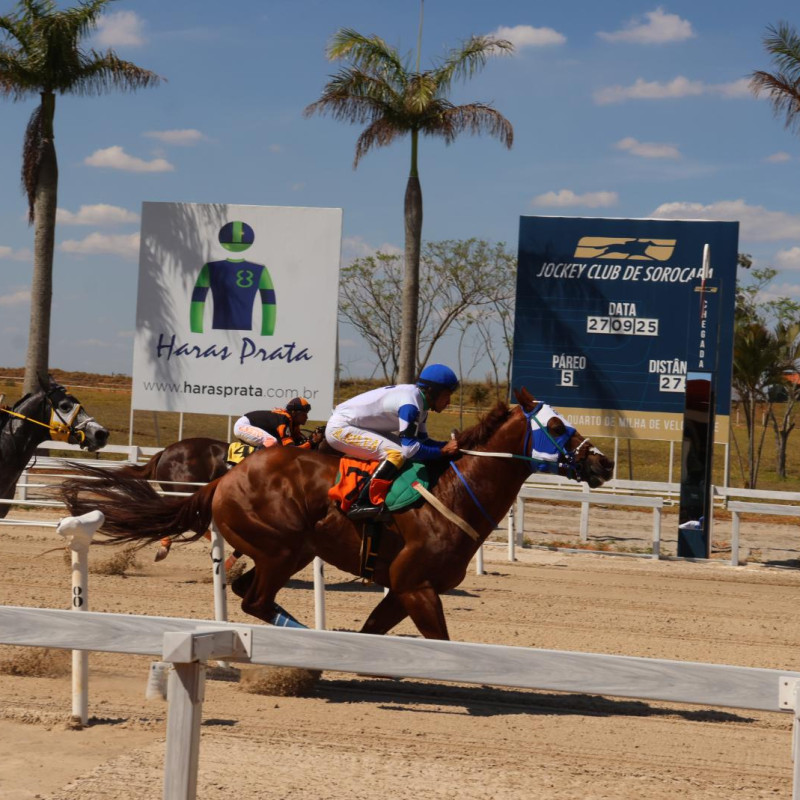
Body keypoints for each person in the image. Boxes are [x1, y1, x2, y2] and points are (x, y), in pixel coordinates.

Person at [325, 364, 461, 520]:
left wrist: (446, 445)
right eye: (446, 395)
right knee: (397, 453)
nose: (449, 402)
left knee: (401, 451)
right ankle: (361, 504)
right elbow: (410, 449)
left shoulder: (420, 404)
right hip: (340, 429)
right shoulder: (411, 405)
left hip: (352, 425)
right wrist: (443, 451)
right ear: (432, 392)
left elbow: (423, 441)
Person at [233, 397, 313, 450]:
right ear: (294, 413)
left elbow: (299, 443)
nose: (306, 417)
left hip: (248, 424)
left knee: (275, 444)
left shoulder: (294, 424)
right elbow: (290, 449)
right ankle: (251, 462)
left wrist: (312, 441)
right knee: (272, 441)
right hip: (243, 425)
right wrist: (311, 442)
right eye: (304, 414)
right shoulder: (284, 419)